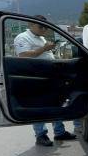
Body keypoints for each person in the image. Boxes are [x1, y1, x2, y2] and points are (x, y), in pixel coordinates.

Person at [14, 15, 77, 146]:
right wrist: (44, 48)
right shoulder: (22, 37)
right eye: (41, 26)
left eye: (45, 27)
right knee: (39, 107)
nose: (44, 29)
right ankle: (41, 135)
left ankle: (59, 132)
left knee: (55, 104)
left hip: (49, 77)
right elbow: (23, 55)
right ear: (31, 25)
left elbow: (43, 54)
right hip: (35, 78)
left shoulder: (40, 38)